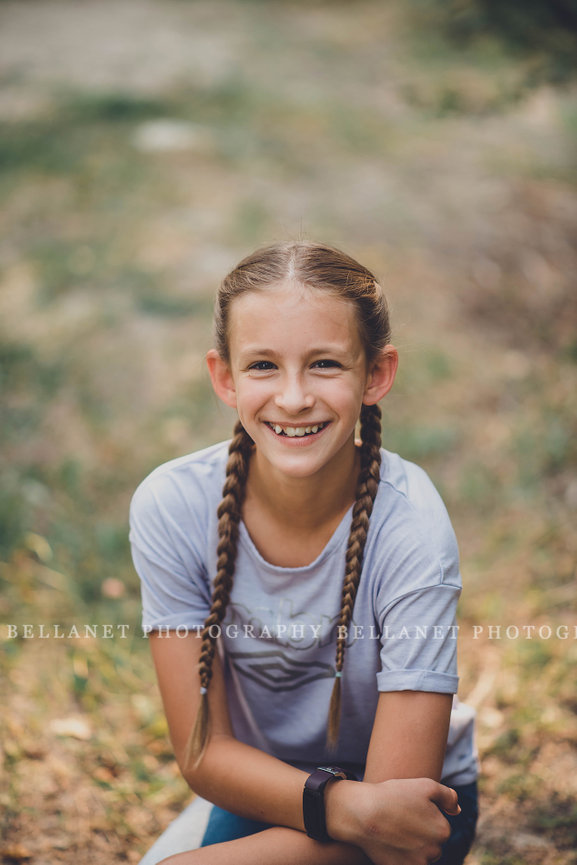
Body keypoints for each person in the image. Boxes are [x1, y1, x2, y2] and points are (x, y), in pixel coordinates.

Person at [129, 241, 479, 865]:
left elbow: (395, 819)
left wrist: (356, 812)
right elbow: (204, 753)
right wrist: (335, 806)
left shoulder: (412, 530)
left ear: (376, 374)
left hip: (413, 816)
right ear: (224, 377)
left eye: (324, 364)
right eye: (262, 365)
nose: (293, 398)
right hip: (272, 786)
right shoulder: (173, 505)